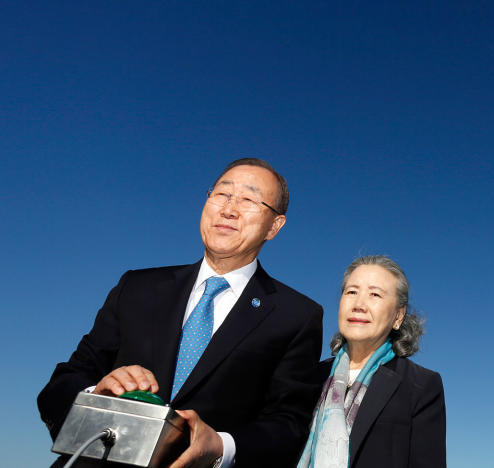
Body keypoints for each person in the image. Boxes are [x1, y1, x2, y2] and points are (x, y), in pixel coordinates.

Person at [38, 158, 325, 468]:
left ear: (274, 226)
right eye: (221, 194)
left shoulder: (296, 316)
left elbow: (289, 425)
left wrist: (220, 446)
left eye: (249, 200)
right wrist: (95, 393)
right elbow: (61, 384)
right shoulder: (137, 287)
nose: (229, 209)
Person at [297, 256, 445, 468]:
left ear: (398, 316)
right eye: (351, 292)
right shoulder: (311, 377)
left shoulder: (420, 385)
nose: (359, 304)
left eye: (375, 294)